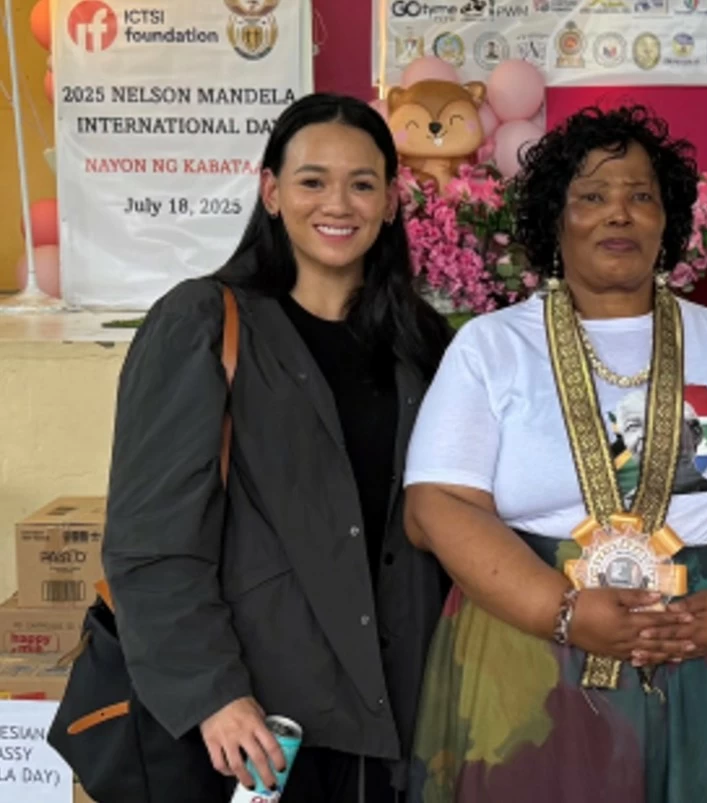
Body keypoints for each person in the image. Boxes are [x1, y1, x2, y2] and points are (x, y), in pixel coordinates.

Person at [401, 105, 707, 802]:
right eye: (591, 196)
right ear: (555, 220)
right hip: (532, 663)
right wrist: (563, 610)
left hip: (704, 656)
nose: (619, 213)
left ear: (666, 219)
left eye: (641, 196)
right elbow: (436, 505)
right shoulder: (494, 347)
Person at [101, 93, 453, 803]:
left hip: (404, 715)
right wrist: (212, 694)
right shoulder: (203, 322)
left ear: (390, 202)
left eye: (362, 183)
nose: (339, 203)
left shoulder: (421, 341)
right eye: (312, 180)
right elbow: (152, 540)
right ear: (271, 191)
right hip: (263, 725)